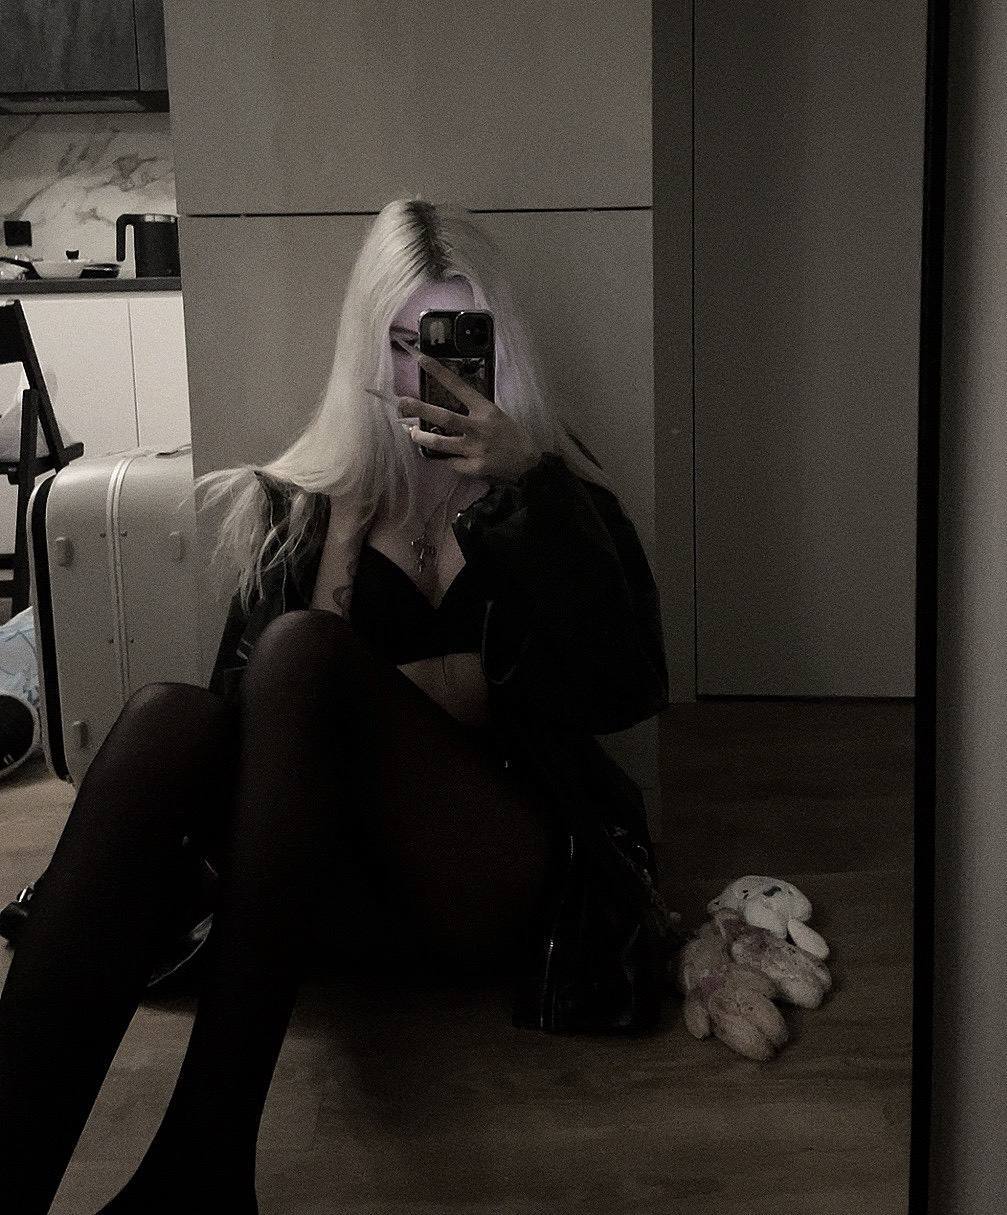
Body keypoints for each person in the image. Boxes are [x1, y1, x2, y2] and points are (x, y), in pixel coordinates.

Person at [0, 197, 675, 1214]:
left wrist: (528, 493)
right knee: (167, 720)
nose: (426, 373)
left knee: (304, 652)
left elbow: (626, 688)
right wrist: (346, 546)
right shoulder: (302, 507)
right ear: (366, 352)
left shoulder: (552, 494)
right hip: (323, 895)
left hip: (493, 876)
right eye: (402, 345)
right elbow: (238, 744)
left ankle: (200, 1166)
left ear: (499, 345)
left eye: (454, 339)